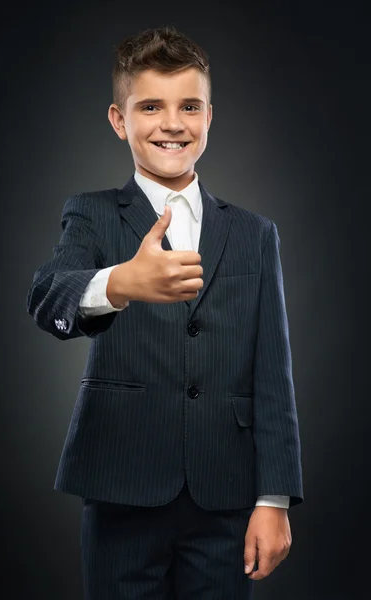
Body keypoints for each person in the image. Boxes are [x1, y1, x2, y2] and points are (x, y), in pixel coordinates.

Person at [26, 25, 303, 600]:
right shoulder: (93, 214)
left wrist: (273, 499)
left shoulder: (254, 233)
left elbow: (273, 372)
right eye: (150, 106)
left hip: (226, 491)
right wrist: (120, 282)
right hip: (121, 479)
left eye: (189, 106)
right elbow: (49, 297)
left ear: (209, 117)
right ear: (119, 120)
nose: (171, 123)